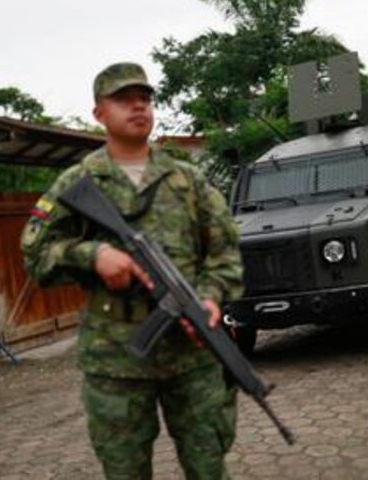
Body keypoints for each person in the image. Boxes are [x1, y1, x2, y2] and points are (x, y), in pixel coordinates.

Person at [20, 62, 244, 479]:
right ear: (99, 113)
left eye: (145, 98)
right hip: (115, 360)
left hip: (191, 355)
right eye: (123, 99)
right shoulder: (79, 182)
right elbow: (35, 254)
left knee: (209, 467)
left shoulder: (188, 180)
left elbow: (225, 252)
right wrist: (93, 256)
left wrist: (211, 296)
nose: (138, 106)